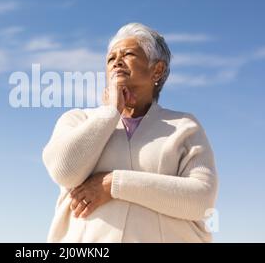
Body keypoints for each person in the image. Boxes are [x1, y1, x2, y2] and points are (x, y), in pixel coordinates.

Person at [42, 22, 219, 242]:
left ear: (158, 70)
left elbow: (201, 200)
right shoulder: (78, 119)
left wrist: (113, 184)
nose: (116, 62)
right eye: (110, 58)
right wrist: (110, 113)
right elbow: (65, 171)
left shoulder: (184, 126)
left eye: (128, 54)